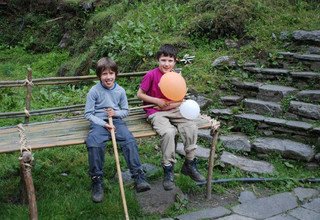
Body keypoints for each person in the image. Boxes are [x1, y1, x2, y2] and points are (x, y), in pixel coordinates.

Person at [137, 44, 206, 191]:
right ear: (158, 60)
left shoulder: (176, 76)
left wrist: (173, 104)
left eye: (170, 60)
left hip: (175, 110)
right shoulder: (151, 75)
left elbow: (180, 98)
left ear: (175, 61)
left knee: (191, 126)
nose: (166, 64)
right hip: (155, 111)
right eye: (163, 60)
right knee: (169, 132)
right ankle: (168, 170)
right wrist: (156, 101)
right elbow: (140, 94)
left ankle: (189, 163)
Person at [85, 57, 151, 203]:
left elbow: (125, 111)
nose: (108, 77)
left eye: (111, 73)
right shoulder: (94, 91)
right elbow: (88, 114)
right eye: (104, 74)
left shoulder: (120, 91)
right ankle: (97, 180)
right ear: (99, 76)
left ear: (115, 74)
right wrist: (103, 124)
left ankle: (138, 177)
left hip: (116, 121)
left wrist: (115, 114)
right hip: (100, 123)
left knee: (129, 141)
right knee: (94, 142)